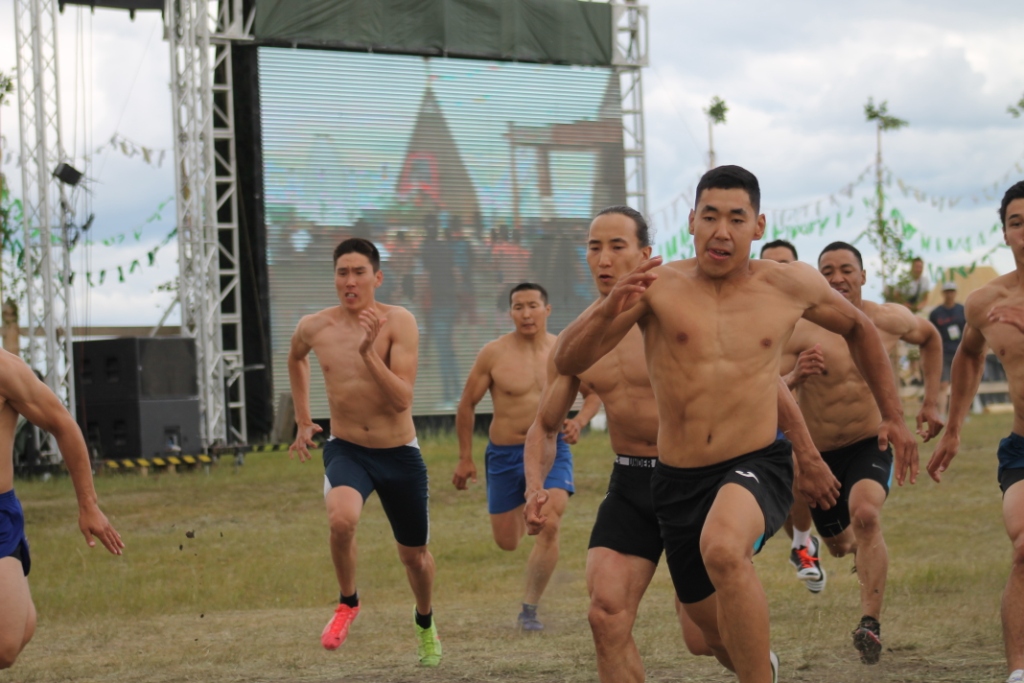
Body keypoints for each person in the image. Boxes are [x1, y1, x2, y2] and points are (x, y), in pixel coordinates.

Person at [552, 165, 916, 683]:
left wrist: (895, 417)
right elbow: (569, 357)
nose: (722, 230)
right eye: (710, 216)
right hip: (676, 480)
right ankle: (755, 665)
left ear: (759, 225)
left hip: (755, 462)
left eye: (736, 218)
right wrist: (608, 307)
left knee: (724, 548)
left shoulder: (790, 285)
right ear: (692, 221)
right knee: (707, 636)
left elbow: (860, 329)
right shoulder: (657, 287)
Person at [523, 207, 825, 682]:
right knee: (605, 614)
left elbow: (763, 379)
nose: (603, 259)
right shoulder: (578, 344)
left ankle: (755, 666)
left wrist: (806, 452)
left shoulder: (677, 309)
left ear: (646, 255)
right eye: (594, 247)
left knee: (707, 640)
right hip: (630, 485)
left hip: (698, 480)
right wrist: (534, 485)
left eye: (617, 247)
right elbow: (543, 425)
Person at [781, 241, 943, 665]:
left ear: (863, 275)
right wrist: (796, 374)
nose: (838, 278)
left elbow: (930, 338)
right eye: (827, 271)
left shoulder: (886, 319)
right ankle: (831, 546)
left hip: (872, 441)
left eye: (847, 269)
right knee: (840, 545)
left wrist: (931, 400)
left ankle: (869, 624)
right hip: (819, 455)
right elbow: (762, 381)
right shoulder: (798, 328)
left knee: (867, 516)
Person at [288, 237, 441, 667]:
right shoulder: (315, 326)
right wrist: (303, 418)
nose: (350, 281)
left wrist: (367, 354)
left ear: (377, 277)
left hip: (398, 454)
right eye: (342, 273)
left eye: (359, 273)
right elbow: (295, 358)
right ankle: (348, 602)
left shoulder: (399, 321)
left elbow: (401, 400)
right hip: (347, 447)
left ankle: (425, 621)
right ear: (334, 278)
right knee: (341, 519)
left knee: (415, 558)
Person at [453, 282, 599, 631]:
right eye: (518, 307)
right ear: (511, 313)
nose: (526, 313)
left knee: (550, 520)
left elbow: (594, 394)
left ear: (547, 310)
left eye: (533, 305)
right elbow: (466, 405)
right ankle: (523, 507)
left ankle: (529, 611)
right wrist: (464, 458)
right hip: (504, 454)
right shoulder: (493, 353)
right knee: (507, 542)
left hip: (552, 447)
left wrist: (579, 420)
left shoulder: (564, 350)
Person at [928, 180, 1024, 683]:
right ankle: (1018, 672)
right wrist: (954, 428)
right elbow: (968, 354)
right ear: (1004, 232)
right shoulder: (987, 301)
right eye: (1016, 223)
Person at [0, 349, 124, 669]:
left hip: (1, 513)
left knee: (21, 629)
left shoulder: (5, 369)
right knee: (5, 643)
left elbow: (62, 424)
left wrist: (88, 505)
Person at [759, 240, 826, 593]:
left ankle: (803, 544)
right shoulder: (746, 318)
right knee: (783, 508)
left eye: (786, 264)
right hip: (747, 423)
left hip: (790, 425)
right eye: (770, 264)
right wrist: (793, 377)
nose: (778, 272)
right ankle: (802, 543)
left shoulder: (811, 319)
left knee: (800, 480)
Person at [928, 280, 967, 414]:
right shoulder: (936, 313)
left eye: (952, 291)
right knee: (943, 384)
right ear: (943, 293)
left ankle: (960, 413)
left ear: (955, 293)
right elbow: (932, 333)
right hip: (943, 353)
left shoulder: (962, 310)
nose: (949, 294)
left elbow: (968, 330)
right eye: (947, 291)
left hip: (960, 351)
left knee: (960, 385)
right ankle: (942, 413)